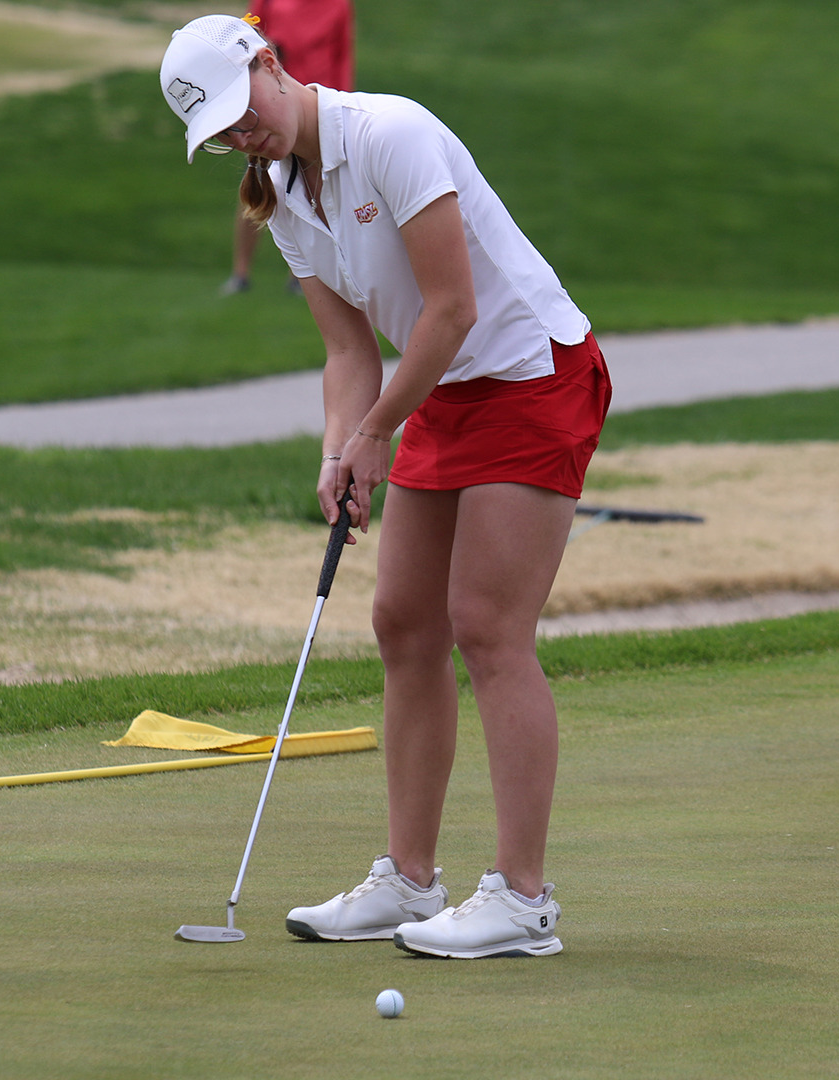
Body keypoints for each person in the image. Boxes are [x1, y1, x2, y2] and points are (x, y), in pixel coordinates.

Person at [159, 14, 608, 959]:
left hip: (531, 372)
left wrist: (374, 433)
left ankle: (523, 901)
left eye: (244, 113)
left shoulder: (390, 133)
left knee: (488, 627)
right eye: (223, 135)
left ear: (271, 67)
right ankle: (409, 880)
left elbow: (452, 308)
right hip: (440, 385)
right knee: (404, 622)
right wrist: (339, 448)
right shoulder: (280, 200)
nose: (244, 137)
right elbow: (346, 349)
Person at [220, 1, 354, 296]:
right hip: (272, 100)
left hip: (314, 105)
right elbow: (250, 33)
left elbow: (342, 53)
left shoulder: (338, 4)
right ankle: (241, 272)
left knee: (314, 191)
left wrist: (342, 102)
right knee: (255, 184)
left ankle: (302, 274)